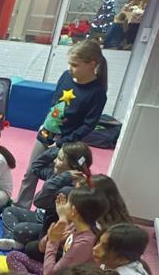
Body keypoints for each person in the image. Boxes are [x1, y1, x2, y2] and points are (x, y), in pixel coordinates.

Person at [15, 40, 108, 208]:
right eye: (69, 64)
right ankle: (21, 206)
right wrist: (46, 123)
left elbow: (88, 125)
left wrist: (62, 142)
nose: (70, 68)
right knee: (31, 171)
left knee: (56, 177)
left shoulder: (97, 92)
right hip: (47, 132)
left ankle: (47, 211)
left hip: (67, 142)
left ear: (92, 64)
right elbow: (55, 104)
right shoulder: (66, 76)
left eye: (75, 65)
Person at [0, 141, 92, 251]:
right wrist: (55, 151)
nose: (54, 160)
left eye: (59, 159)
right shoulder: (55, 173)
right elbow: (36, 167)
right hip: (41, 216)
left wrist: (63, 178)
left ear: (73, 166)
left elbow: (38, 201)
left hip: (50, 226)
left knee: (20, 229)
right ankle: (12, 240)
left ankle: (17, 240)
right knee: (9, 211)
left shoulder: (69, 189)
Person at [7, 187, 108, 275]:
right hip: (58, 274)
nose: (62, 206)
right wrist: (61, 221)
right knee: (13, 256)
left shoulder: (85, 242)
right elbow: (41, 247)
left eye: (67, 202)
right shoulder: (74, 226)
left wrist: (53, 242)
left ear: (73, 210)